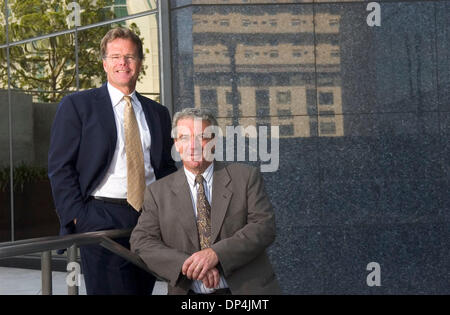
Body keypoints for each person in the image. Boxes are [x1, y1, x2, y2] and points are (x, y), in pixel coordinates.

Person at [48, 27, 177, 295]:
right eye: (115, 56)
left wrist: (169, 212)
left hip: (149, 217)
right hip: (100, 217)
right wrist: (77, 217)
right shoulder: (78, 105)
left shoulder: (158, 113)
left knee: (142, 289)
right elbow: (61, 167)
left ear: (139, 63)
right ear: (105, 62)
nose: (122, 63)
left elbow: (164, 167)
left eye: (130, 57)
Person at [130, 108, 281, 295]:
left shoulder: (246, 177)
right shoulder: (157, 192)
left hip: (245, 290)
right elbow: (142, 241)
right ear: (176, 144)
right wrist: (189, 264)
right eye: (184, 138)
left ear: (214, 141)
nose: (193, 146)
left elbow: (264, 227)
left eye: (201, 137)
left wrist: (215, 254)